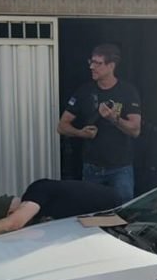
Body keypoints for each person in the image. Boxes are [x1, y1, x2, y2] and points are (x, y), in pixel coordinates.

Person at [57, 43, 142, 201]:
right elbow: (62, 126)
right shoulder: (84, 91)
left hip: (120, 168)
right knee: (91, 212)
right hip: (91, 168)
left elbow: (135, 130)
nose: (92, 67)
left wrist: (113, 119)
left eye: (98, 63)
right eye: (91, 61)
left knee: (122, 212)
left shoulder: (127, 92)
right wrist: (80, 133)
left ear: (111, 66)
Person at [0, 179, 122, 247]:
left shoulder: (35, 192)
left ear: (10, 212)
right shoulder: (41, 209)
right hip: (105, 215)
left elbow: (14, 223)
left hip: (113, 209)